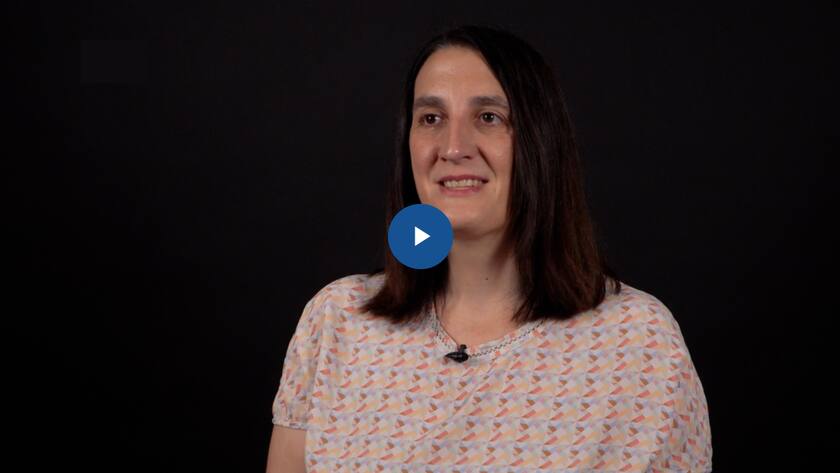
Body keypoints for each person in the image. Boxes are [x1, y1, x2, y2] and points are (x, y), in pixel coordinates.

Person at [266, 25, 712, 473]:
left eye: (488, 117)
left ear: (540, 141)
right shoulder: (337, 319)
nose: (453, 148)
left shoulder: (639, 343)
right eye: (431, 118)